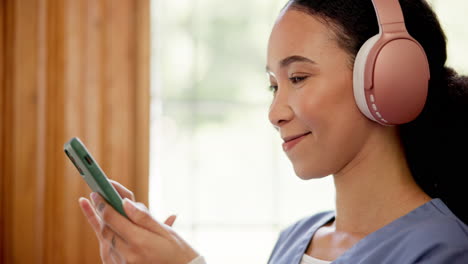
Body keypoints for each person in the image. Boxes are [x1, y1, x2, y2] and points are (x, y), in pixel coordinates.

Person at [78, 0, 468, 263]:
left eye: (298, 77)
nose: (274, 113)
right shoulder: (296, 239)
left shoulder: (441, 249)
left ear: (389, 81)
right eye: (273, 85)